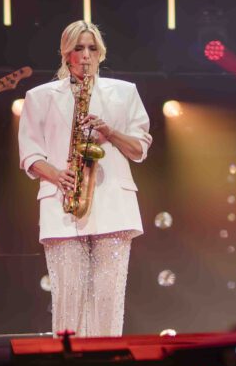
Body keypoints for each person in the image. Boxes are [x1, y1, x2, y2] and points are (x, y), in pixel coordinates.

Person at [18, 21, 152, 337]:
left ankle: (107, 359)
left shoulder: (125, 92)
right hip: (62, 202)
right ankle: (67, 360)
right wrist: (56, 174)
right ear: (66, 54)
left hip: (113, 203)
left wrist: (110, 132)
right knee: (68, 298)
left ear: (101, 53)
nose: (86, 55)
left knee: (108, 298)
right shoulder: (39, 96)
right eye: (78, 48)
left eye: (92, 48)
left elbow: (139, 149)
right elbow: (29, 155)